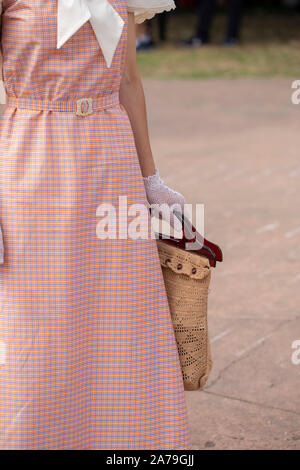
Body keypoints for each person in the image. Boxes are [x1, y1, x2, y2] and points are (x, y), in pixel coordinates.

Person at [0, 0, 192, 450]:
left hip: (112, 163)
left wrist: (150, 179)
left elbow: (128, 81)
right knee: (37, 332)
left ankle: (128, 446)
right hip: (32, 163)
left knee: (121, 321)